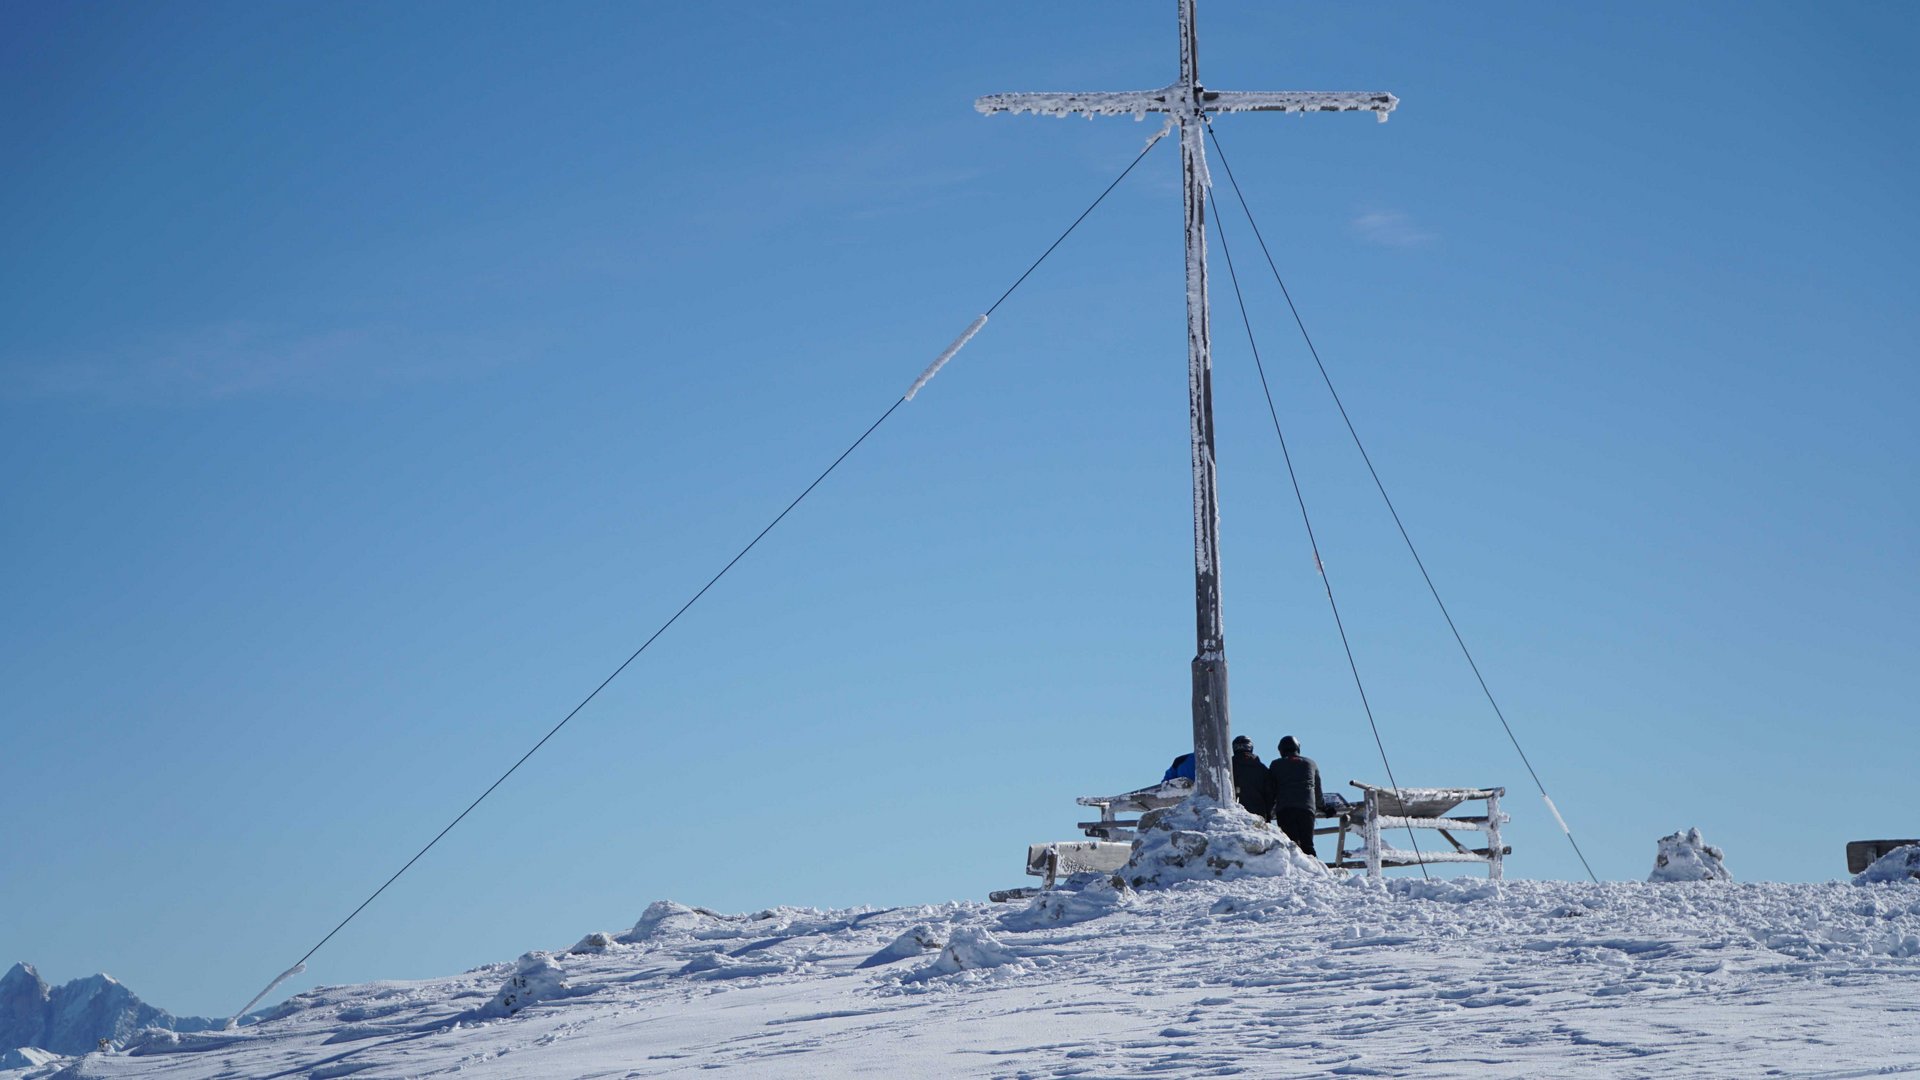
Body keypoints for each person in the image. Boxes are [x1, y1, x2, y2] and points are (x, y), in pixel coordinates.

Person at [1267, 735, 1323, 856]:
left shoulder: (1276, 765)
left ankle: (1295, 871)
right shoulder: (1310, 763)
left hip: (1285, 808)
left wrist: (1267, 811)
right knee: (1307, 844)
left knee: (1291, 844)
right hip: (1307, 809)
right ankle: (1315, 870)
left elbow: (1271, 790)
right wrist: (1323, 807)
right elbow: (1317, 790)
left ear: (1281, 750)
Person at [1230, 735, 1272, 820]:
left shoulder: (1228, 766)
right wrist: (1268, 814)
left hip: (1234, 812)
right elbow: (1269, 793)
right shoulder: (1262, 769)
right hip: (1258, 812)